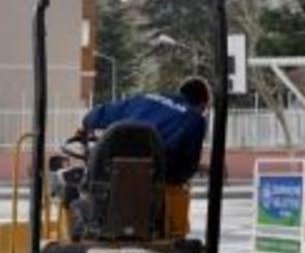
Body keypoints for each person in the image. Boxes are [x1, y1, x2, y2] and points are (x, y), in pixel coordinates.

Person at [80, 77, 211, 238]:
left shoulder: (144, 98)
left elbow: (92, 118)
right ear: (203, 104)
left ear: (180, 92)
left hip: (107, 180)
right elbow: (187, 168)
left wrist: (86, 128)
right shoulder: (195, 120)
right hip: (152, 190)